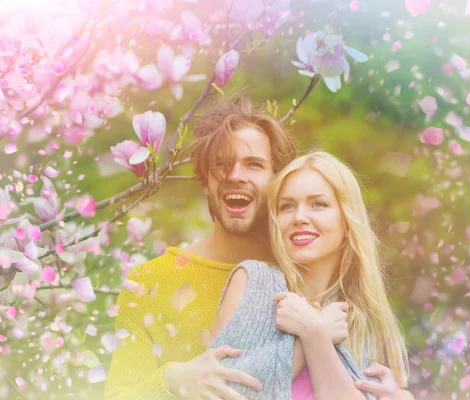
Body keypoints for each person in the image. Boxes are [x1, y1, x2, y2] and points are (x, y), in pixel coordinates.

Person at [105, 97, 413, 399]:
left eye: (253, 164)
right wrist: (171, 378)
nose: (235, 175)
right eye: (220, 165)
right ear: (205, 181)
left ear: (276, 181)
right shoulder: (151, 283)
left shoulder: (315, 270)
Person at [205, 151, 413, 400]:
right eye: (287, 207)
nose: (299, 218)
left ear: (347, 222)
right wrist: (312, 336)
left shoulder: (366, 318)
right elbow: (218, 391)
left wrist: (315, 337)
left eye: (318, 204)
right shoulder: (253, 281)